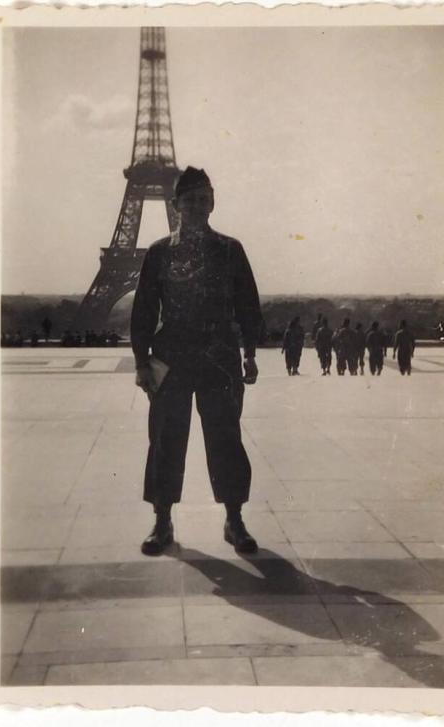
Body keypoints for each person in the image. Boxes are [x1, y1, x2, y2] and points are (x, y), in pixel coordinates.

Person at [131, 166, 262, 556]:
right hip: (171, 354)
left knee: (226, 438)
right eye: (189, 200)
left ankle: (234, 519)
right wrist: (142, 362)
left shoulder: (230, 249)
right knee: (166, 440)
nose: (197, 206)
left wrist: (250, 352)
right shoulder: (158, 252)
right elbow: (143, 311)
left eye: (203, 199)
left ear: (212, 204)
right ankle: (162, 520)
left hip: (219, 354)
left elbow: (247, 305)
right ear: (176, 206)